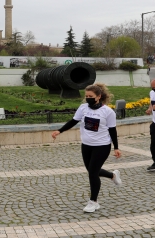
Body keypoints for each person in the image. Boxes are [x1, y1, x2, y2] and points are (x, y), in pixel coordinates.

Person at [51, 83, 122, 213]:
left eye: (91, 96)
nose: (88, 98)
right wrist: (59, 131)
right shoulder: (83, 108)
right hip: (86, 145)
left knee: (93, 173)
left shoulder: (108, 112)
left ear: (99, 96)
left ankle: (93, 202)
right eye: (86, 96)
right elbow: (73, 121)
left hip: (102, 146)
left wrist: (116, 147)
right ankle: (112, 175)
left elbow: (112, 130)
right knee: (91, 171)